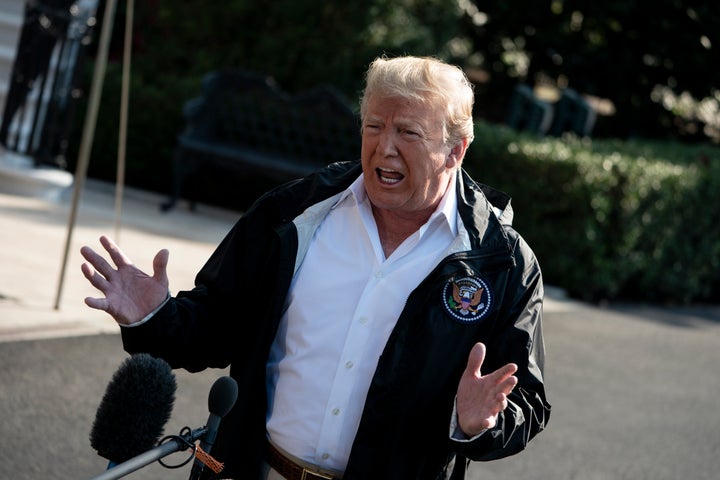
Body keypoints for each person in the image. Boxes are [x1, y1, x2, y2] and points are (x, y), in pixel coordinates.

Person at [80, 55, 550, 480]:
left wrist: (475, 423)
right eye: (373, 126)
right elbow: (217, 326)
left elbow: (525, 402)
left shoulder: (503, 264)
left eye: (407, 132)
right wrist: (155, 315)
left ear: (456, 150)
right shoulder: (294, 213)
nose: (384, 147)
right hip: (253, 468)